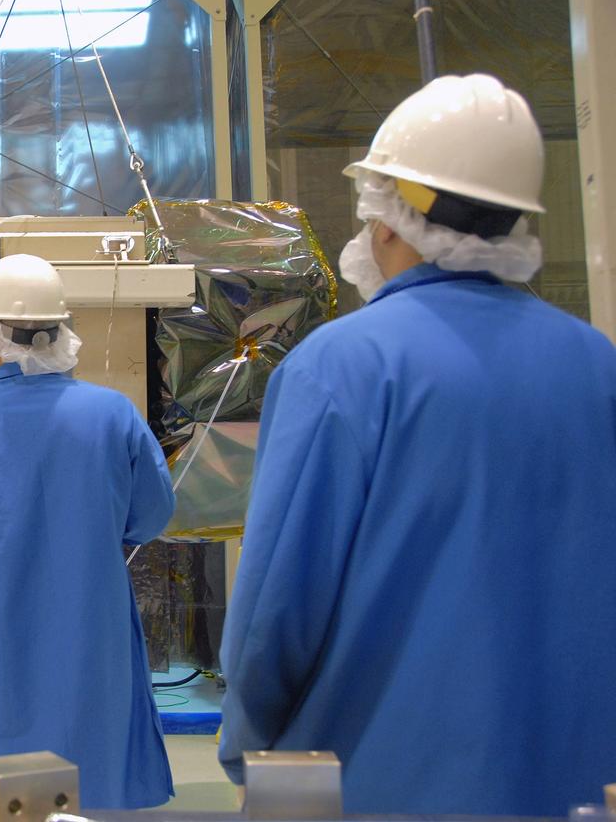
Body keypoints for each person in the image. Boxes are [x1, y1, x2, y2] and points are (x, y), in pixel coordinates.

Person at [218, 74, 616, 816]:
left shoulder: (340, 367)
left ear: (388, 217)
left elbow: (276, 610)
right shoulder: (597, 364)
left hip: (383, 784)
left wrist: (255, 752)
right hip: (576, 784)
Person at [0, 253, 176, 813]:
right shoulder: (115, 415)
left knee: (2, 773)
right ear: (62, 332)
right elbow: (152, 514)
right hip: (93, 627)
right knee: (94, 762)